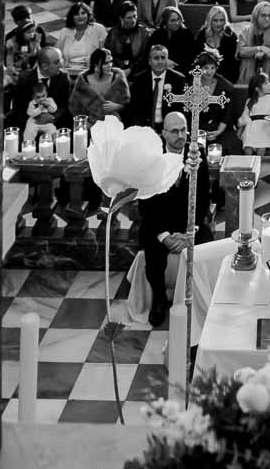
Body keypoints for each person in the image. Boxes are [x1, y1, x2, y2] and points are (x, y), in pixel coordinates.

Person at [138, 109, 211, 327]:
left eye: (184, 130)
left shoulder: (197, 154)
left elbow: (203, 196)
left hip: (188, 222)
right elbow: (146, 202)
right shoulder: (151, 158)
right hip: (158, 223)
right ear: (164, 133)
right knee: (153, 256)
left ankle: (200, 301)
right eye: (175, 131)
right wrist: (165, 236)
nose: (181, 136)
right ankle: (159, 300)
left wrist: (191, 230)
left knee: (207, 247)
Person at [125, 41, 187, 129]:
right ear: (149, 61)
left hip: (170, 127)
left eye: (163, 58)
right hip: (145, 126)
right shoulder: (140, 80)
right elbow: (134, 108)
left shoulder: (178, 79)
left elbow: (181, 108)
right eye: (156, 58)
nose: (160, 61)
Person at [69, 46, 130, 123]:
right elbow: (74, 107)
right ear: (96, 64)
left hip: (112, 122)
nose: (110, 65)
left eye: (111, 61)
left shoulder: (118, 79)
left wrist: (117, 106)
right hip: (89, 123)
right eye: (105, 63)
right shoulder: (83, 81)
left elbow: (128, 105)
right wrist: (84, 122)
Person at [236, 0, 270, 84]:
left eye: (269, 15)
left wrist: (267, 55)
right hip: (248, 77)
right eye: (263, 15)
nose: (267, 18)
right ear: (256, 16)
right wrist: (259, 48)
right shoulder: (247, 31)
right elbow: (241, 52)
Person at [237, 70, 270, 152]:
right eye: (266, 83)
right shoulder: (250, 101)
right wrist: (241, 127)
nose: (269, 84)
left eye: (268, 82)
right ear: (257, 89)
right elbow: (245, 115)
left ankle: (259, 163)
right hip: (252, 127)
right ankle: (249, 163)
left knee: (261, 148)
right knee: (248, 149)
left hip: (264, 126)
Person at [55, 0, 107, 78]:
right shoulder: (65, 32)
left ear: (88, 14)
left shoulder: (98, 29)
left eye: (83, 13)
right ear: (72, 17)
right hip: (67, 72)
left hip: (89, 72)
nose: (80, 16)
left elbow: (104, 53)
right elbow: (56, 53)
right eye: (76, 14)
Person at [105, 1, 152, 76]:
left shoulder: (144, 33)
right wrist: (119, 70)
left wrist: (130, 70)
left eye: (135, 16)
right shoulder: (113, 33)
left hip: (139, 73)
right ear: (121, 18)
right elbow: (109, 54)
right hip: (116, 72)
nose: (133, 20)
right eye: (129, 18)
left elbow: (145, 58)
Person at [151, 6, 196, 75]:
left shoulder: (187, 34)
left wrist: (174, 67)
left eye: (178, 19)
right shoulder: (157, 34)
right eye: (173, 20)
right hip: (159, 68)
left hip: (180, 70)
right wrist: (165, 62)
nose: (177, 23)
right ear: (165, 22)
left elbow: (191, 58)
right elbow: (149, 53)